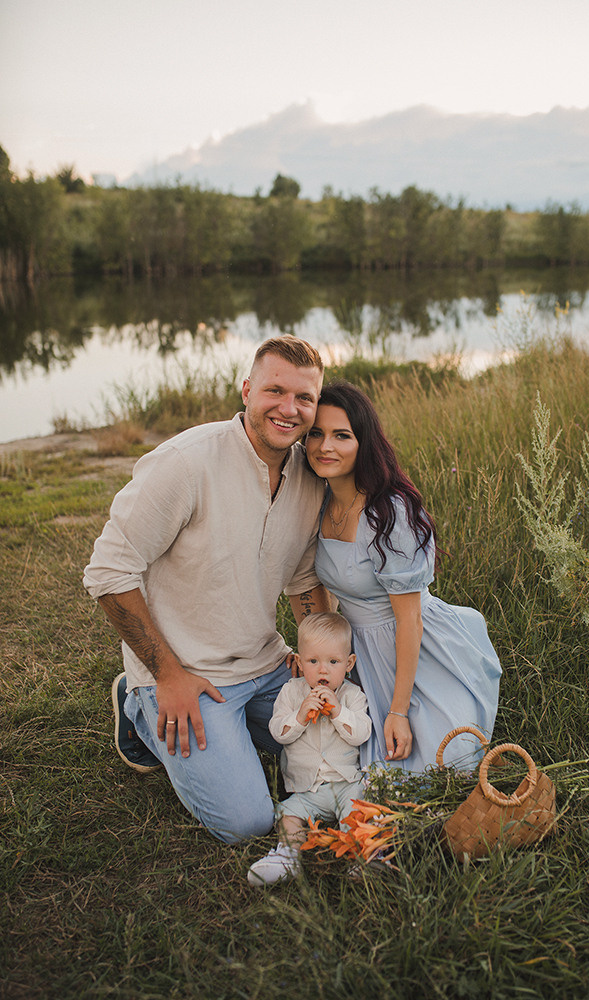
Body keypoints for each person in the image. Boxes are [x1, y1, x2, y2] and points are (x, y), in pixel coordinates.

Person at [83, 336, 333, 844]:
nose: (289, 409)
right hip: (186, 673)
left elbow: (304, 582)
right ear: (246, 390)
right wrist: (168, 673)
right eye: (275, 391)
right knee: (246, 823)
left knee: (344, 752)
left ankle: (229, 734)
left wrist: (316, 663)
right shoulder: (186, 462)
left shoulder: (312, 477)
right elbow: (108, 572)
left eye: (304, 399)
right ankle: (139, 706)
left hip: (266, 666)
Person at [304, 381, 502, 772]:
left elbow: (409, 618)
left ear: (364, 442)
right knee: (340, 761)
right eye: (316, 434)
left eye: (341, 435)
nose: (326, 447)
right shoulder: (317, 499)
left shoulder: (389, 513)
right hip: (357, 650)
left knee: (441, 763)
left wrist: (398, 710)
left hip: (414, 644)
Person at [247, 612, 371, 886]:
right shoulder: (291, 693)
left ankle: (359, 856)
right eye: (313, 661)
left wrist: (338, 713)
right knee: (287, 814)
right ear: (301, 663)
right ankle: (288, 856)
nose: (323, 670)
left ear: (348, 664)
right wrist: (300, 716)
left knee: (357, 811)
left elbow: (362, 733)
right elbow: (278, 733)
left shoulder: (352, 695)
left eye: (333, 662)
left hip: (345, 782)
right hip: (305, 788)